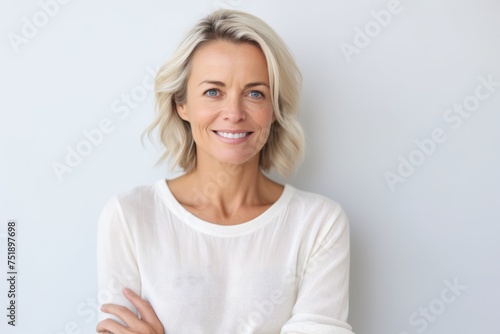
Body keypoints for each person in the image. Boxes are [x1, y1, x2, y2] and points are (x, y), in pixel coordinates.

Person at [96, 9, 354, 334]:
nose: (233, 113)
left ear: (274, 109)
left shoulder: (319, 224)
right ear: (182, 104)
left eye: (254, 93)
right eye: (213, 92)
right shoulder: (129, 216)